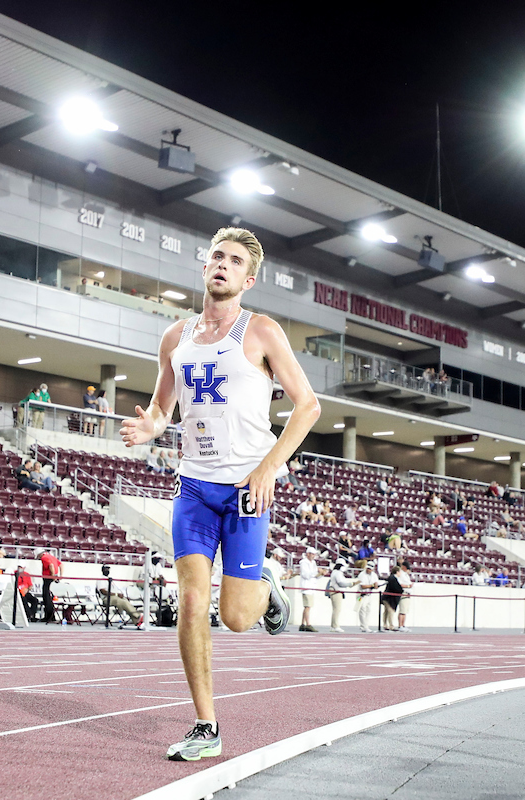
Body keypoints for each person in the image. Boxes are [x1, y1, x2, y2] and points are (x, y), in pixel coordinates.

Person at [119, 226, 319, 762]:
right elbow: (164, 408)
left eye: (234, 261)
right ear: (205, 266)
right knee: (189, 601)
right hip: (194, 487)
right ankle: (206, 726)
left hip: (246, 489)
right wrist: (150, 428)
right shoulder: (175, 339)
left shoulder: (262, 333)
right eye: (217, 257)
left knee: (235, 617)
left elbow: (309, 406)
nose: (222, 265)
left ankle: (266, 585)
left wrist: (270, 467)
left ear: (248, 279)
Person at [297, 547, 323, 632]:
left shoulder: (313, 563)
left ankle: (303, 624)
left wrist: (321, 574)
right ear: (307, 554)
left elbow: (315, 576)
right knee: (307, 606)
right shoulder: (303, 562)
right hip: (306, 586)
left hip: (311, 586)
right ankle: (308, 624)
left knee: (308, 606)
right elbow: (305, 575)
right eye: (312, 554)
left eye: (314, 554)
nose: (313, 556)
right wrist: (317, 572)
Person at [326, 559, 353, 632]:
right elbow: (341, 583)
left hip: (336, 591)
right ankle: (335, 626)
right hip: (336, 591)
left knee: (336, 609)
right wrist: (350, 584)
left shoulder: (336, 572)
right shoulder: (337, 573)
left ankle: (333, 626)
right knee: (337, 609)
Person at [39, 547, 62, 623]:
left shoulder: (44, 558)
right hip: (53, 577)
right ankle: (51, 616)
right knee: (49, 597)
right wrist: (60, 575)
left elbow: (51, 565)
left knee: (46, 597)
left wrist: (52, 576)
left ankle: (48, 616)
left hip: (48, 578)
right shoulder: (52, 557)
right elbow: (61, 565)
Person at [356, 561, 380, 633]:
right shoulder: (361, 575)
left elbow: (376, 583)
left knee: (368, 610)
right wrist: (372, 585)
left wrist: (375, 585)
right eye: (368, 568)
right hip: (361, 594)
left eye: (370, 569)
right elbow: (362, 586)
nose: (369, 570)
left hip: (369, 595)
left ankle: (366, 626)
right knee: (362, 609)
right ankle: (363, 626)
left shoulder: (374, 575)